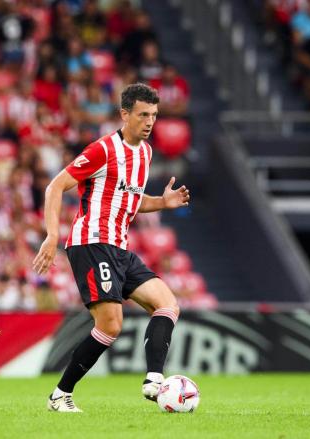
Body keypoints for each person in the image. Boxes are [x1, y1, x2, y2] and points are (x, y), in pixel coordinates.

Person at [33, 84, 189, 412]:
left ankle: (154, 380)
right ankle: (60, 395)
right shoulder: (102, 150)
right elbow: (56, 186)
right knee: (110, 324)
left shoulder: (145, 153)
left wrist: (162, 202)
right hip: (91, 243)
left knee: (168, 305)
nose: (149, 122)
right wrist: (51, 235)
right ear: (125, 114)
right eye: (143, 114)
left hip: (119, 246)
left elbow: (129, 199)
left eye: (154, 116)